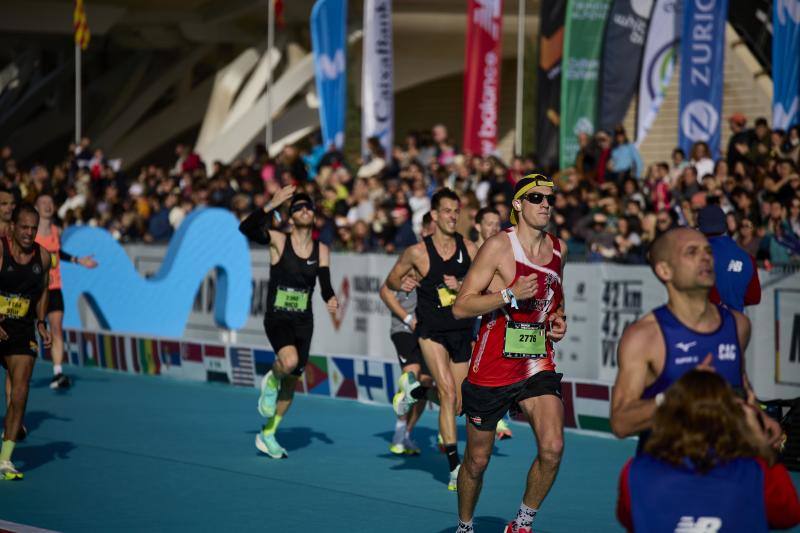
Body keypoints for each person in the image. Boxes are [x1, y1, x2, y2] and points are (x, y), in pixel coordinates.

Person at [452, 174, 568, 533]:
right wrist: (508, 294)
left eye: (550, 198)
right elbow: (461, 307)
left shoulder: (558, 249)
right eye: (536, 198)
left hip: (536, 362)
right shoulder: (499, 247)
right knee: (477, 461)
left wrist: (558, 322)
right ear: (518, 204)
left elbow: (554, 304)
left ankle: (521, 523)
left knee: (552, 447)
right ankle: (466, 525)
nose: (545, 204)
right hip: (492, 367)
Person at [609, 227, 783, 451]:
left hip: (726, 473)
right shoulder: (644, 336)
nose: (705, 258)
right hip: (667, 477)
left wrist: (762, 419)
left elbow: (741, 392)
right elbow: (621, 423)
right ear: (664, 270)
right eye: (691, 252)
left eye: (708, 251)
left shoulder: (738, 326)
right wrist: (677, 397)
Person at [617, 370, 800, 532]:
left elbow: (631, 521)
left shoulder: (635, 473)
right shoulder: (757, 473)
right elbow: (789, 515)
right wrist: (759, 444)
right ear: (733, 420)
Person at [385, 188, 478, 491]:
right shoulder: (418, 252)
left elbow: (490, 282)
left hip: (462, 332)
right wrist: (407, 281)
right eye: (447, 210)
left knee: (460, 403)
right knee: (448, 393)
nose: (453, 216)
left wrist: (462, 283)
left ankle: (417, 393)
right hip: (431, 332)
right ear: (435, 216)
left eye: (456, 210)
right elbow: (391, 282)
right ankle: (454, 468)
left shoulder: (471, 248)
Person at [239, 185, 338, 459]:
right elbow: (245, 229)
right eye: (298, 207)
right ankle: (271, 379)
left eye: (308, 207)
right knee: (289, 362)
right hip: (278, 317)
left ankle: (268, 433)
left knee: (292, 381)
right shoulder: (279, 241)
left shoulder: (322, 249)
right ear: (291, 216)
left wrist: (331, 298)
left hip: (304, 321)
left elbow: (325, 284)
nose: (304, 210)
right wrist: (270, 204)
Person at [0, 203, 52, 480]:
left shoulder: (43, 257)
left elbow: (43, 290)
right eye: (24, 227)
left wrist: (41, 322)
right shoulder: (0, 251)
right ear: (12, 227)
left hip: (21, 330)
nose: (30, 233)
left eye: (33, 228)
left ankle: (4, 460)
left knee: (20, 391)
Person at [380, 214, 436, 455]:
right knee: (411, 376)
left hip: (428, 330)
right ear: (423, 231)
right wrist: (407, 318)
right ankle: (398, 433)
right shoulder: (410, 256)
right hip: (404, 328)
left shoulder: (443, 262)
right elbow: (384, 291)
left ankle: (406, 433)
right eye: (433, 231)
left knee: (424, 385)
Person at [34, 193, 98, 389]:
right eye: (43, 203)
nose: (47, 206)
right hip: (33, 289)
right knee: (26, 330)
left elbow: (57, 253)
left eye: (50, 203)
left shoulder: (55, 230)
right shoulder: (30, 231)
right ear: (36, 208)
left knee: (56, 328)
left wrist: (79, 261)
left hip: (54, 287)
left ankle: (58, 372)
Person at [472, 206, 513, 440]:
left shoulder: (503, 252)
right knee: (464, 377)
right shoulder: (469, 251)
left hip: (494, 320)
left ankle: (495, 417)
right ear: (477, 226)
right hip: (468, 322)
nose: (494, 228)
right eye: (489, 223)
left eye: (498, 224)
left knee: (494, 369)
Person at [696, 205, 760, 311]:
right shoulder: (748, 258)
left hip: (706, 321)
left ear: (699, 227)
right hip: (736, 323)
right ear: (725, 225)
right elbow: (754, 297)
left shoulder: (700, 257)